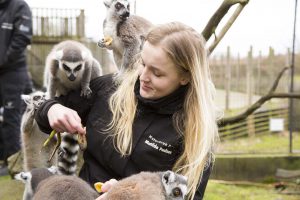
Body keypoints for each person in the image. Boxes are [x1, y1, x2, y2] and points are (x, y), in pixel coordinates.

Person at [36, 22, 219, 199]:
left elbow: (188, 196)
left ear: (185, 77)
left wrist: (131, 195)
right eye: (143, 63)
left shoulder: (196, 132)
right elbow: (44, 112)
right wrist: (52, 109)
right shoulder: (109, 89)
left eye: (157, 73)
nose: (143, 76)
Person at [0, 0, 32, 175]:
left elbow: (22, 38)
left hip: (13, 71)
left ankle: (12, 164)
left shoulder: (19, 7)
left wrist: (3, 62)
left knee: (12, 116)